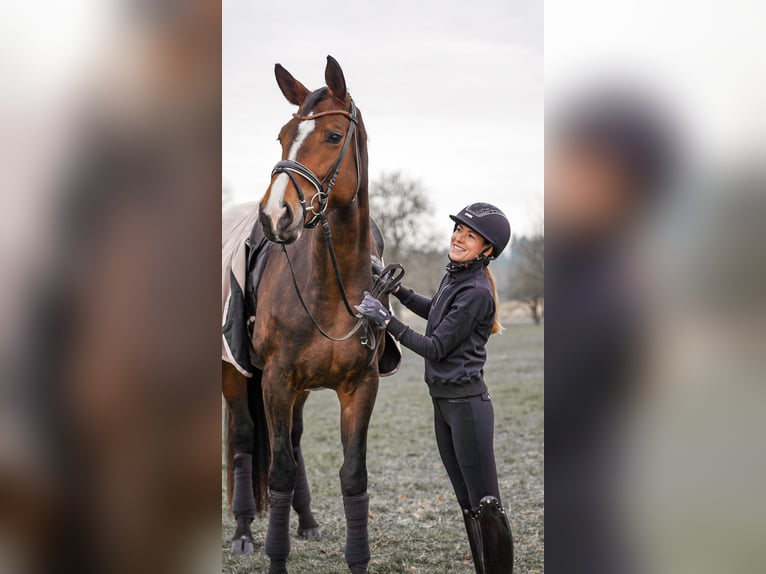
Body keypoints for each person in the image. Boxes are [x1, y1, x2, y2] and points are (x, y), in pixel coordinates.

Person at [356, 203, 514, 573]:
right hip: (444, 404)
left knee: (487, 504)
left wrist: (387, 321)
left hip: (467, 407)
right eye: (458, 229)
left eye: (470, 235)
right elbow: (435, 311)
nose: (458, 237)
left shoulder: (476, 292)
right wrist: (396, 290)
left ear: (487, 250)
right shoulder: (457, 278)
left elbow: (435, 346)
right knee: (468, 503)